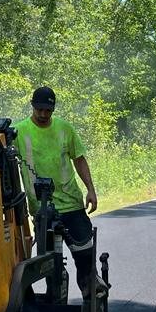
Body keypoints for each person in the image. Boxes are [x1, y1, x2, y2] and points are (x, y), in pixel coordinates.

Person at [15, 86, 98, 286]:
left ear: (53, 109)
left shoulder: (64, 129)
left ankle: (91, 299)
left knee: (85, 259)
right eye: (39, 110)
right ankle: (56, 302)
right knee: (50, 267)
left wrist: (91, 190)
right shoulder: (18, 132)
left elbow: (79, 159)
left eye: (48, 111)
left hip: (72, 205)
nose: (43, 114)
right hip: (42, 211)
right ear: (32, 106)